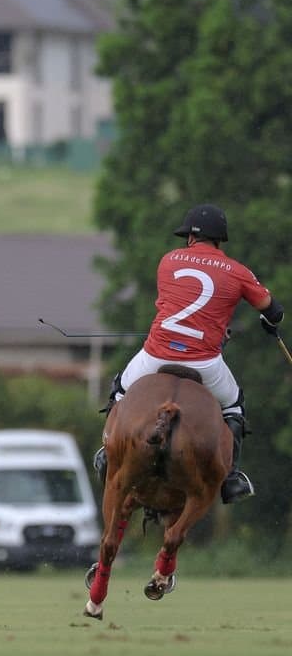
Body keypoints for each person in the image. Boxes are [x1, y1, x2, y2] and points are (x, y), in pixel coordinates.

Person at [93, 204, 283, 504]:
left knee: (120, 388)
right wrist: (270, 322)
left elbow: (177, 305)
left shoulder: (168, 260)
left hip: (156, 355)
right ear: (219, 238)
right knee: (234, 405)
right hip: (204, 363)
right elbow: (273, 310)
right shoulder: (238, 272)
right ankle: (231, 478)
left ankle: (108, 452)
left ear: (191, 238)